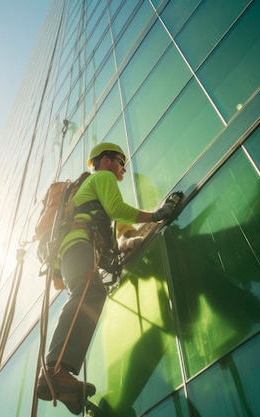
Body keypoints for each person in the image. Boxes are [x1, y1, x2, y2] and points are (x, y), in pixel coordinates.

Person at [36, 142, 182, 414]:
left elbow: (110, 222)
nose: (123, 169)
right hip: (78, 244)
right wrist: (155, 215)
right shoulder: (101, 178)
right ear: (104, 161)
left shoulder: (91, 188)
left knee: (89, 292)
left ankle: (64, 384)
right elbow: (117, 209)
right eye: (120, 162)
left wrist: (125, 241)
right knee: (90, 291)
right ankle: (55, 370)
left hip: (73, 249)